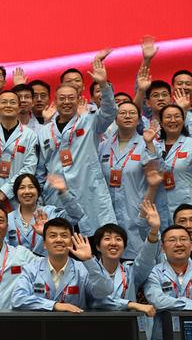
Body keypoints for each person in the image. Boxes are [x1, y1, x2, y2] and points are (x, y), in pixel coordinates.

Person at [36, 52, 118, 236]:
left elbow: (110, 111)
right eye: (62, 98)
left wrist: (103, 85)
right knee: (61, 240)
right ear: (55, 101)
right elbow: (40, 169)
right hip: (56, 195)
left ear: (78, 99)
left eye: (71, 98)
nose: (66, 102)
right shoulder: (44, 131)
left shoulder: (90, 121)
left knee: (94, 239)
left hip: (88, 192)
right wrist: (40, 198)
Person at [11, 217, 113, 312]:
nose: (59, 240)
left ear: (71, 243)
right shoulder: (31, 269)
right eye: (53, 236)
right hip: (39, 324)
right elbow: (18, 299)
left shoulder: (83, 270)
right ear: (45, 244)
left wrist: (89, 260)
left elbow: (104, 291)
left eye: (64, 235)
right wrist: (54, 305)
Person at [99, 102, 161, 256]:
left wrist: (149, 144)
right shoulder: (103, 146)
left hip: (135, 210)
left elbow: (156, 172)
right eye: (122, 113)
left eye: (132, 113)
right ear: (115, 119)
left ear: (139, 119)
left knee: (137, 256)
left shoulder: (147, 143)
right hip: (108, 212)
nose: (127, 116)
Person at [91, 201, 159, 316]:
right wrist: (131, 304)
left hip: (129, 324)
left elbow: (146, 258)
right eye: (107, 238)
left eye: (118, 239)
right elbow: (96, 301)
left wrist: (154, 231)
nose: (113, 243)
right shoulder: (88, 271)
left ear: (124, 247)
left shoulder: (130, 271)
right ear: (98, 246)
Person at [144, 224, 192, 340]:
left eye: (183, 239)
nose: (178, 244)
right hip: (163, 336)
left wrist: (172, 303)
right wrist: (188, 303)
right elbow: (157, 301)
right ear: (163, 248)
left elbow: (165, 301)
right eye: (172, 240)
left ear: (191, 245)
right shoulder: (154, 272)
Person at [8, 173, 84, 255]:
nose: (27, 191)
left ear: (38, 191)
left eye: (31, 187)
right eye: (22, 188)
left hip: (48, 262)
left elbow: (76, 216)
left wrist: (64, 192)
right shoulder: (8, 219)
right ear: (16, 193)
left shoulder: (51, 212)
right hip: (18, 262)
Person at [156, 104, 192, 221]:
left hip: (186, 206)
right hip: (159, 207)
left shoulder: (190, 144)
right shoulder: (154, 146)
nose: (173, 120)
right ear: (161, 122)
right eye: (168, 117)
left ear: (183, 120)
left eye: (177, 116)